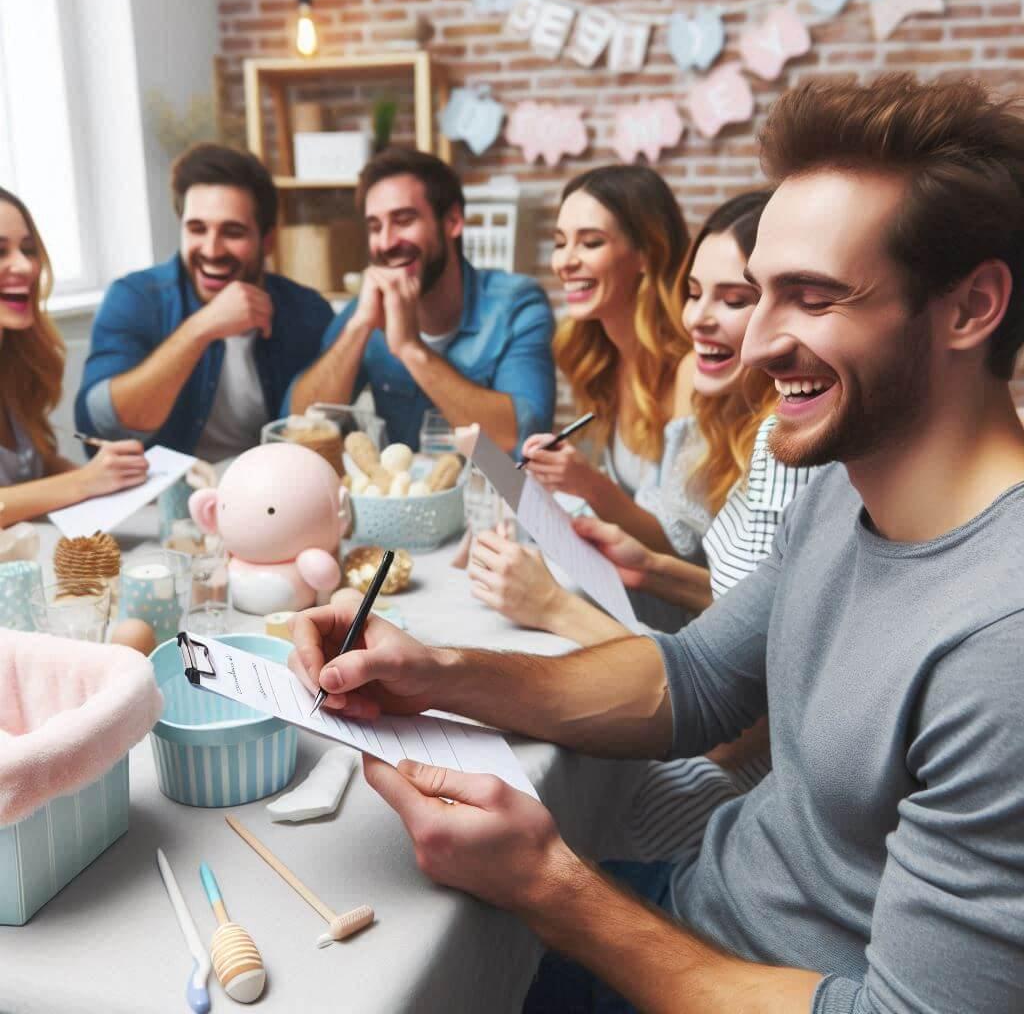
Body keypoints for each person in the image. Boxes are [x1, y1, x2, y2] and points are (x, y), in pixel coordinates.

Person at [290, 73, 1024, 1013]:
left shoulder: (998, 646)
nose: (755, 343)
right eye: (758, 294)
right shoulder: (846, 492)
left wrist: (549, 885)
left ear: (971, 308)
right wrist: (436, 670)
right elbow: (692, 681)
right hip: (691, 910)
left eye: (812, 296)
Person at [470, 191, 814, 645]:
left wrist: (555, 607)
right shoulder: (718, 402)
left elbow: (738, 664)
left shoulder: (784, 437)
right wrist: (650, 569)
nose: (696, 319)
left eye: (733, 300)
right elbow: (748, 603)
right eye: (692, 294)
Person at [74, 143, 333, 461]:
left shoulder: (307, 312)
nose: (212, 250)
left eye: (233, 232)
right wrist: (202, 327)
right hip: (162, 501)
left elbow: (317, 434)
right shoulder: (136, 298)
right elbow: (102, 426)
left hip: (268, 497)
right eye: (197, 229)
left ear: (267, 240)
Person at [289, 148, 555, 453]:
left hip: (493, 497)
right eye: (375, 227)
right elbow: (297, 425)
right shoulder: (364, 311)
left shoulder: (516, 305)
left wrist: (410, 348)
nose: (387, 242)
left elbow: (522, 436)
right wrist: (359, 328)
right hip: (407, 498)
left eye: (404, 220)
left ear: (453, 221)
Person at [515, 165, 693, 555]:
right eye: (561, 242)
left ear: (647, 253)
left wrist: (589, 485)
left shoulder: (688, 371)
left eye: (591, 242)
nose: (565, 262)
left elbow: (683, 547)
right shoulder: (605, 360)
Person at [0, 188, 147, 525]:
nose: (24, 266)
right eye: (0, 251)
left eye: (28, 250)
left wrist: (103, 473)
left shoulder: (16, 362)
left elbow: (31, 464)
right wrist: (84, 482)